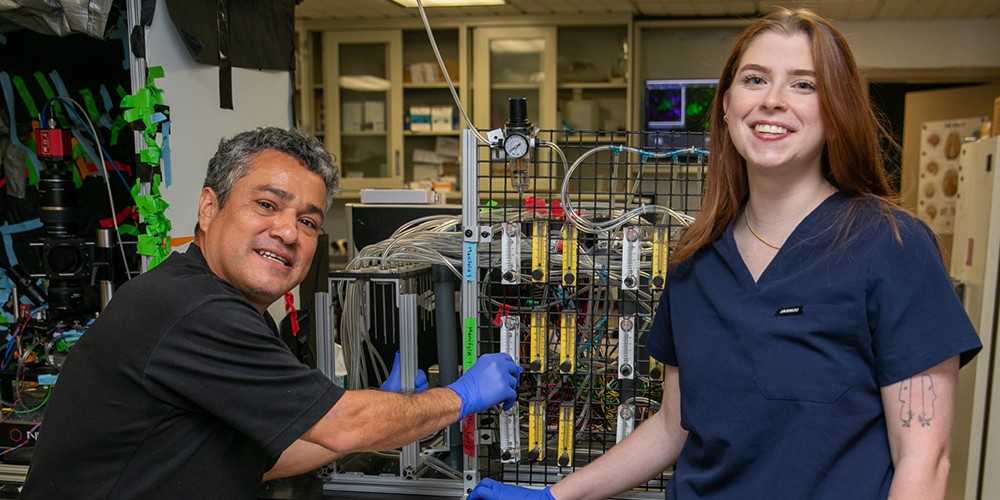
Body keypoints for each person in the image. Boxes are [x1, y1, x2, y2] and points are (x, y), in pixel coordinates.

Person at [468, 8, 982, 500]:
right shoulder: (696, 260)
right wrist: (553, 495)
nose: (773, 100)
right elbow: (672, 427)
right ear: (727, 106)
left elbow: (925, 461)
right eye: (755, 79)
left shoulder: (892, 247)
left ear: (836, 112)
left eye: (804, 84)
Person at [19, 127, 521, 499]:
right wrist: (461, 395)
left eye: (308, 221)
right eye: (266, 204)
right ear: (209, 208)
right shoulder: (195, 310)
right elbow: (344, 426)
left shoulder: (222, 306)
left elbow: (259, 461)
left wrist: (383, 413)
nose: (287, 232)